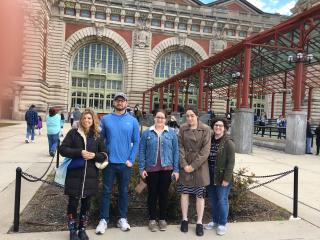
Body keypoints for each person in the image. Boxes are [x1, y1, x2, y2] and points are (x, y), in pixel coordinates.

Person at [60, 108, 108, 240]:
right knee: (73, 204)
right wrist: (79, 152)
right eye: (84, 118)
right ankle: (72, 231)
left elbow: (104, 155)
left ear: (93, 121)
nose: (87, 120)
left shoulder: (97, 136)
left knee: (86, 205)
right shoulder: (73, 133)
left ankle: (82, 229)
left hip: (90, 177)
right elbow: (62, 150)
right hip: (74, 175)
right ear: (81, 119)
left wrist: (94, 156)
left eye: (89, 118)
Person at [96, 92, 140, 234]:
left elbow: (137, 141)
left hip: (124, 164)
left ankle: (122, 218)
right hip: (109, 163)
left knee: (123, 192)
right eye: (117, 101)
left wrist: (131, 159)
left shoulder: (132, 121)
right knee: (106, 192)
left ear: (126, 103)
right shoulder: (106, 119)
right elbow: (100, 140)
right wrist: (103, 156)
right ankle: (103, 219)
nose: (120, 103)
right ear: (113, 103)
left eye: (122, 101)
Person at [139, 109, 179, 232]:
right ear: (154, 118)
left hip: (167, 169)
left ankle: (162, 218)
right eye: (158, 117)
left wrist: (176, 170)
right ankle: (152, 219)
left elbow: (176, 151)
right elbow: (142, 151)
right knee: (152, 194)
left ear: (166, 119)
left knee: (163, 194)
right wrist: (141, 168)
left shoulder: (171, 133)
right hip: (151, 169)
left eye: (162, 117)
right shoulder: (147, 133)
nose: (160, 119)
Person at [178, 108, 211, 236]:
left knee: (200, 196)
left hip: (200, 167)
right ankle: (184, 219)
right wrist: (185, 164)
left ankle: (199, 222)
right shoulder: (182, 128)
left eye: (192, 115)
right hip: (185, 165)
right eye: (187, 116)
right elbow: (179, 146)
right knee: (184, 193)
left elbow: (205, 151)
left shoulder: (206, 129)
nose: (189, 118)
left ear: (197, 116)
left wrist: (193, 166)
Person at [204, 118, 235, 236]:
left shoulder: (228, 142)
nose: (218, 127)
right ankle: (215, 220)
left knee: (222, 200)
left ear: (225, 128)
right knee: (213, 199)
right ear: (213, 126)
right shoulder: (210, 139)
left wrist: (226, 179)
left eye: (221, 126)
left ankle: (222, 223)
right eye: (216, 125)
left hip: (222, 175)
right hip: (210, 174)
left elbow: (231, 163)